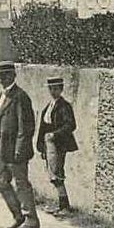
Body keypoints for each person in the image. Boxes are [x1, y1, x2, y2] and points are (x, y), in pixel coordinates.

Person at [0, 61, 40, 228]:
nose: (3, 79)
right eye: (0, 76)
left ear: (14, 75)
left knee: (21, 182)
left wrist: (20, 150)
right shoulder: (2, 95)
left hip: (15, 149)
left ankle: (31, 219)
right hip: (2, 149)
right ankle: (18, 215)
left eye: (6, 75)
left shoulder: (20, 96)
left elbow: (26, 126)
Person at [36, 77, 78, 217]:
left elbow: (70, 125)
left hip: (59, 143)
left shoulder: (64, 106)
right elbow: (43, 127)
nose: (53, 92)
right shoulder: (49, 106)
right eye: (51, 89)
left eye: (56, 89)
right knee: (52, 173)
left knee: (57, 173)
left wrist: (55, 134)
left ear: (61, 89)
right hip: (49, 144)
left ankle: (65, 206)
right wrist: (42, 147)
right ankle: (62, 204)